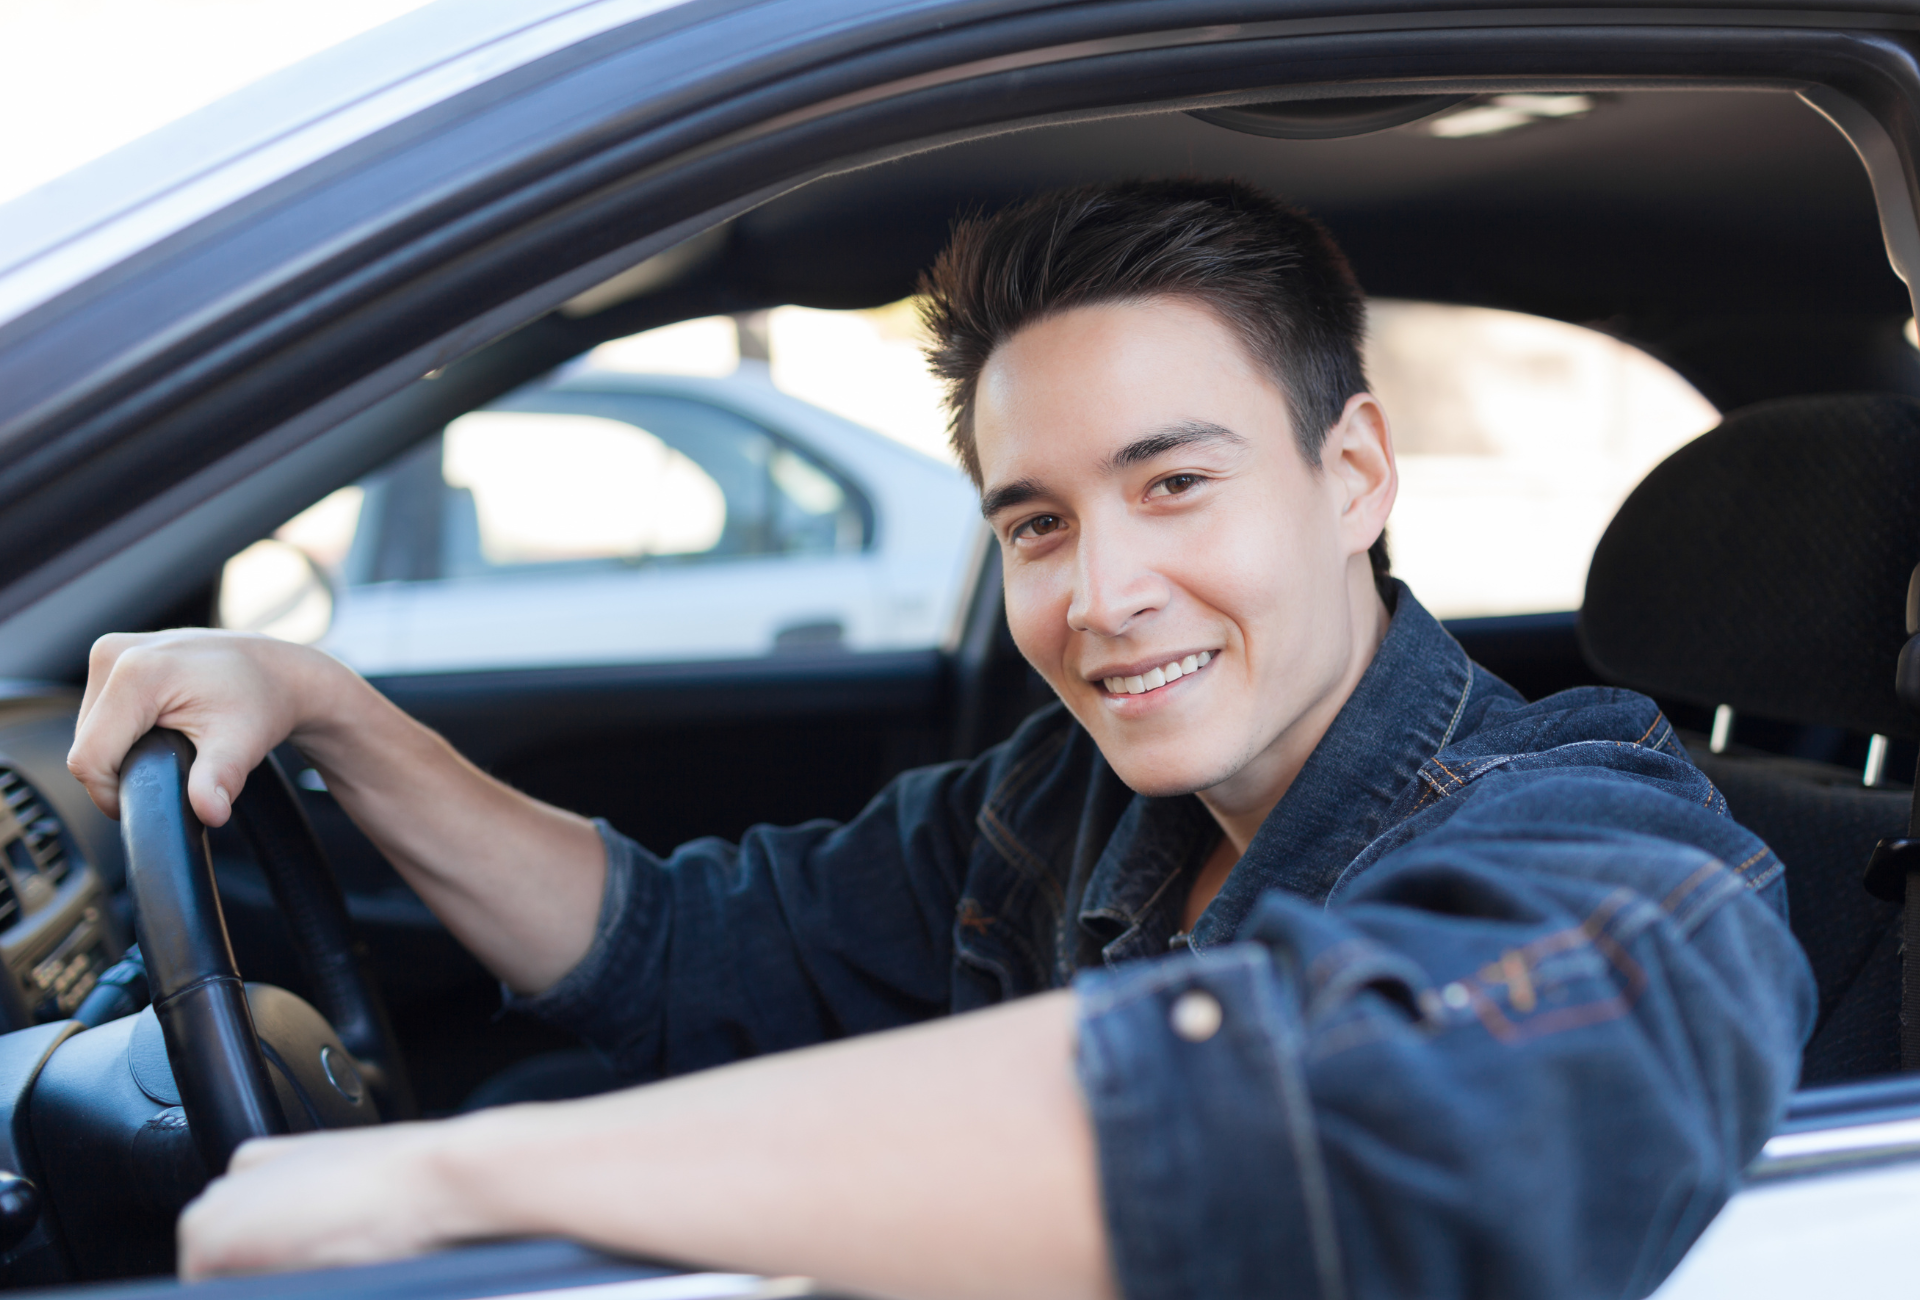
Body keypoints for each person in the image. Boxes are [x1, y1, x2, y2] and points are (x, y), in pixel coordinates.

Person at [66, 180, 1813, 1300]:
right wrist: (333, 714)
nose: (1103, 593)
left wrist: (442, 1182)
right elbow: (678, 954)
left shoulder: (1603, 829)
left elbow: (1354, 1108)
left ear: (1352, 474)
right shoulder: (1065, 800)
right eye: (1036, 522)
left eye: (1175, 483)